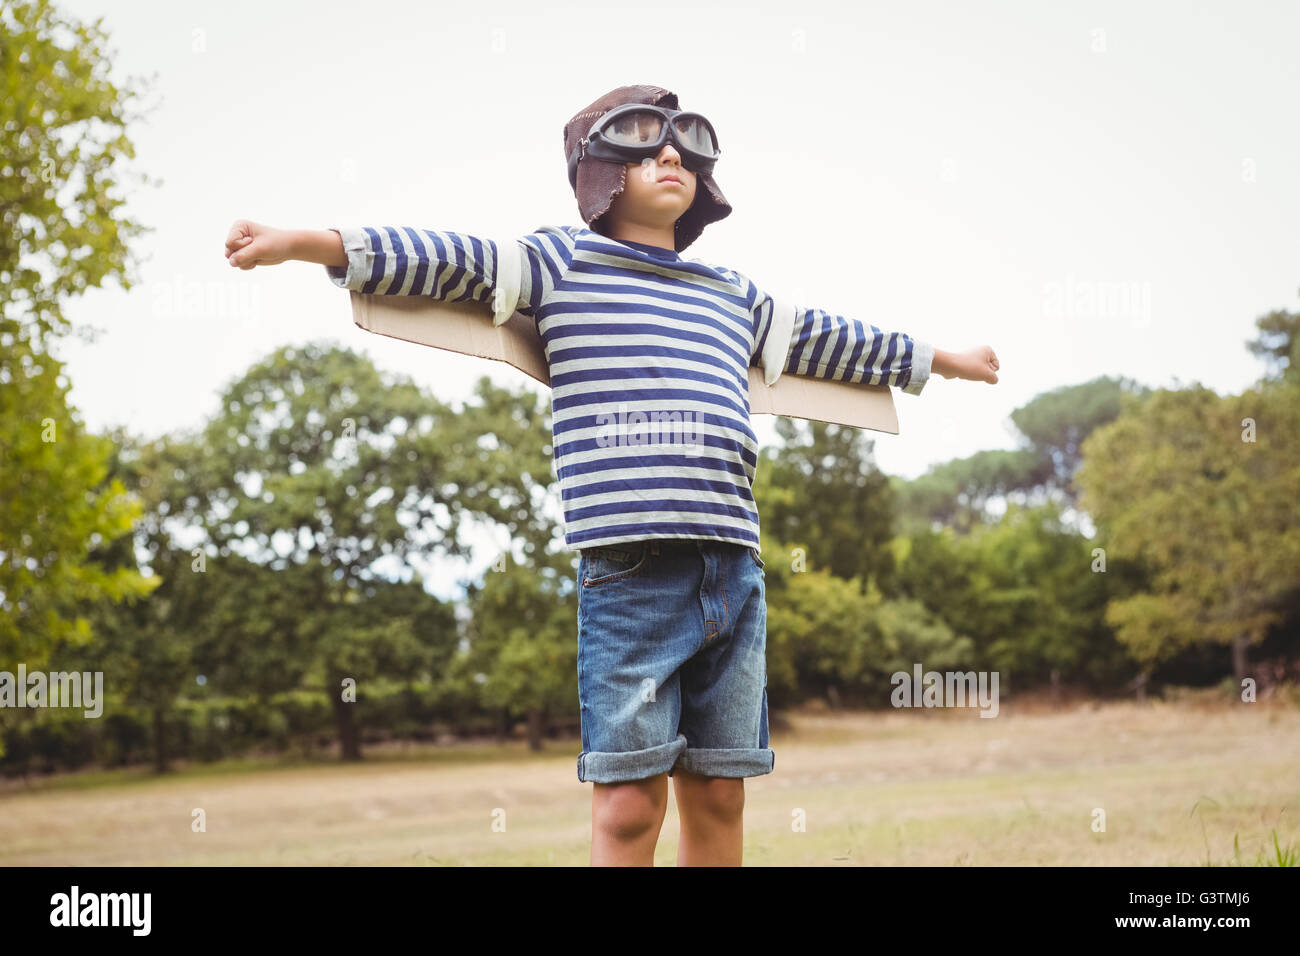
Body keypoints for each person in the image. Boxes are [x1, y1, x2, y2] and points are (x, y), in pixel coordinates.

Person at [223, 84, 999, 867]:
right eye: (645, 139)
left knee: (721, 792)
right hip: (629, 574)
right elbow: (446, 261)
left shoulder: (733, 297)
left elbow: (834, 340)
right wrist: (304, 242)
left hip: (733, 569)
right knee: (630, 804)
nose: (670, 155)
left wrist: (940, 360)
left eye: (685, 144)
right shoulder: (562, 262)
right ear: (598, 167)